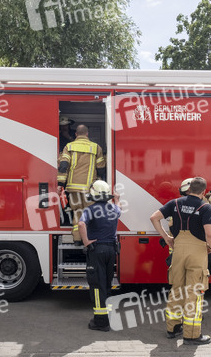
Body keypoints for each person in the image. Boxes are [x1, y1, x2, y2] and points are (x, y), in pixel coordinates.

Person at [150, 176, 211, 346]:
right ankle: (192, 335)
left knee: (176, 289)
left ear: (189, 189)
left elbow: (154, 217)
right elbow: (210, 233)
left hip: (178, 250)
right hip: (197, 252)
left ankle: (173, 328)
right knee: (194, 292)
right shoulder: (205, 207)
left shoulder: (175, 203)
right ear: (204, 192)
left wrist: (166, 237)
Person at [78, 180, 121, 332]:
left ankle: (101, 322)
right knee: (107, 285)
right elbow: (119, 209)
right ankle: (107, 316)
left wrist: (86, 242)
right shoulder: (114, 208)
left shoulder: (90, 210)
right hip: (111, 250)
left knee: (97, 286)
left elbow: (81, 224)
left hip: (97, 251)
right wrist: (117, 199)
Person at [58, 124, 106, 242]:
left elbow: (63, 166)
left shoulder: (69, 146)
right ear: (87, 134)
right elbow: (101, 168)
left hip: (73, 188)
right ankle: (89, 240)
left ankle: (77, 239)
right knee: (89, 212)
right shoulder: (96, 147)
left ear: (76, 134)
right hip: (89, 188)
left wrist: (60, 184)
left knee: (77, 212)